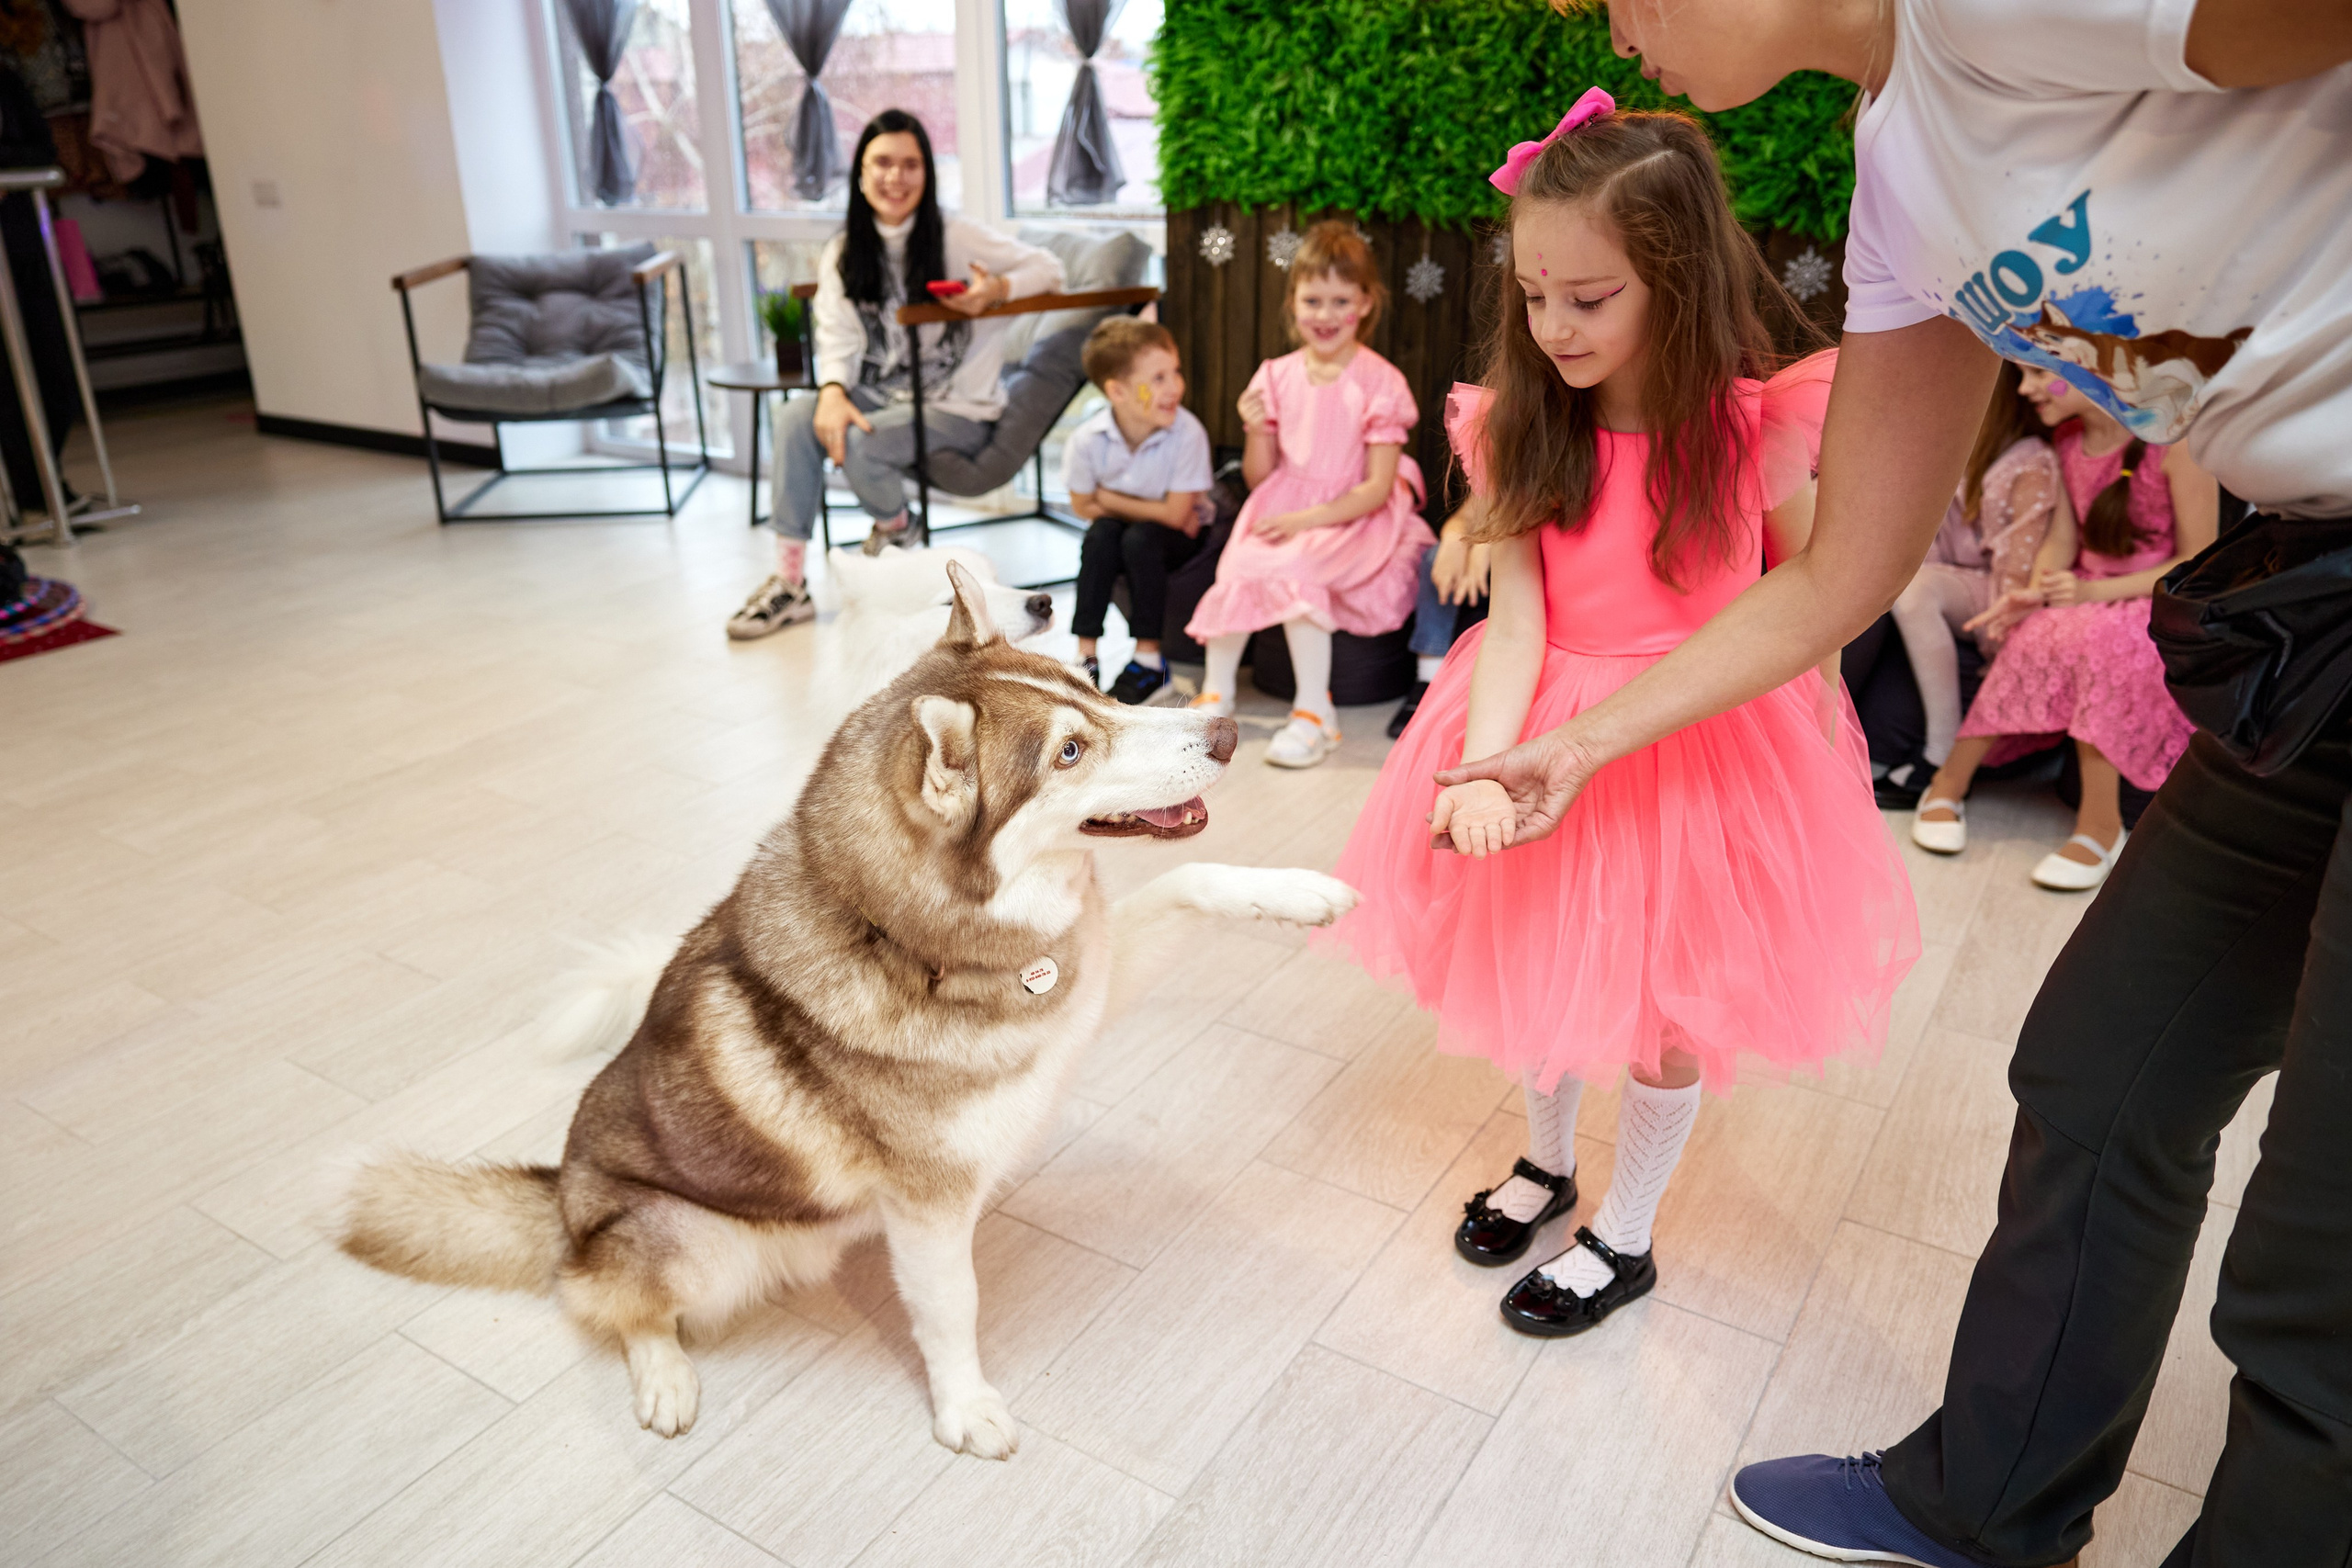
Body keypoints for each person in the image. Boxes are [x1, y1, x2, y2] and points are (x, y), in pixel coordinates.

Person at [1448, 3, 2352, 1563]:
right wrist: (1573, 744)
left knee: (2318, 1243)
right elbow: (1840, 574)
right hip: (2308, 605)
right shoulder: (1904, 172)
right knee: (2102, 1069)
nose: (1614, 23)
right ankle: (1989, 1502)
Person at [1318, 92, 1917, 1337]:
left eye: (1589, 299)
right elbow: (1521, 620)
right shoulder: (1518, 421)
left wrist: (1811, 745)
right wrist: (1484, 767)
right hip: (1543, 718)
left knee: (1666, 1004)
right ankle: (1545, 1164)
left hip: (1697, 743)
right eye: (1535, 297)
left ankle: (1627, 1228)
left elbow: (1810, 601)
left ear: (1677, 281)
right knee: (1542, 954)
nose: (1554, 326)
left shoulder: (1759, 431)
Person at [728, 110, 1064, 640]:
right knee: (795, 414)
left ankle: (896, 529)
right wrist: (832, 392)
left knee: (864, 443)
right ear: (860, 174)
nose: (895, 177)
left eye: (910, 164)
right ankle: (790, 582)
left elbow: (1049, 268)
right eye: (882, 163)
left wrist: (995, 290)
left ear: (927, 174)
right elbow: (835, 331)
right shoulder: (844, 250)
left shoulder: (955, 235)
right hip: (881, 393)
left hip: (956, 405)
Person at [1912, 366, 2216, 890]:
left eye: (2037, 374)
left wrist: (2094, 593)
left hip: (2148, 600)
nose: (2025, 389)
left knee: (2102, 646)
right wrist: (2034, 591)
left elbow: (2196, 559)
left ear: (2092, 371)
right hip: (2083, 592)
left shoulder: (2176, 446)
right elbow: (2061, 543)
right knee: (2034, 635)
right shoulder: (2068, 442)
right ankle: (1948, 783)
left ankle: (2100, 826)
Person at [1182, 220, 1432, 767]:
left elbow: (1375, 488)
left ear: (1365, 303)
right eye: (1312, 300)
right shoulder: (1275, 374)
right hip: (1284, 504)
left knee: (1299, 576)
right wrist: (1255, 430)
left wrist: (1304, 521)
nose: (1324, 315)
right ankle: (1215, 696)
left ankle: (1316, 712)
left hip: (1352, 514)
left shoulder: (1380, 382)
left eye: (1340, 300)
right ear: (1292, 301)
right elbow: (1259, 477)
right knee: (1240, 565)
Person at [1864, 362, 2059, 807]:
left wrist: (2003, 646)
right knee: (1911, 586)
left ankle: (1941, 750)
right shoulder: (1948, 451)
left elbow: (2016, 570)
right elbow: (1924, 545)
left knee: (1916, 590)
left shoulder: (2030, 460)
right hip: (1952, 588)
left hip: (1997, 598)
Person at [1064, 316, 1214, 703]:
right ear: (1118, 391)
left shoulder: (1187, 433)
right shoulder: (1087, 440)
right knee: (1101, 536)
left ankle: (1150, 663)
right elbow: (1082, 506)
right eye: (1158, 378)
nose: (1175, 387)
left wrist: (1109, 498)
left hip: (1179, 538)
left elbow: (1177, 517)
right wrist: (1133, 509)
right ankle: (1086, 657)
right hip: (1125, 530)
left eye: (1175, 373)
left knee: (1140, 537)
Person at [1387, 499, 1494, 738]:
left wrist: (1488, 544)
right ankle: (1427, 678)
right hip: (1490, 536)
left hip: (1524, 545)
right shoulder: (1496, 475)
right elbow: (1469, 513)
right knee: (1435, 557)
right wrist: (1454, 539)